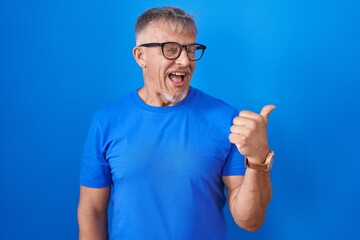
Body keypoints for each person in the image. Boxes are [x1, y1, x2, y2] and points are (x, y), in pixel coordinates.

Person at [77, 6, 275, 240]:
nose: (185, 61)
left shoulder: (227, 120)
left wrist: (257, 159)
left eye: (191, 50)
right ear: (140, 56)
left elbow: (249, 221)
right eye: (171, 49)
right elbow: (92, 211)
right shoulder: (106, 122)